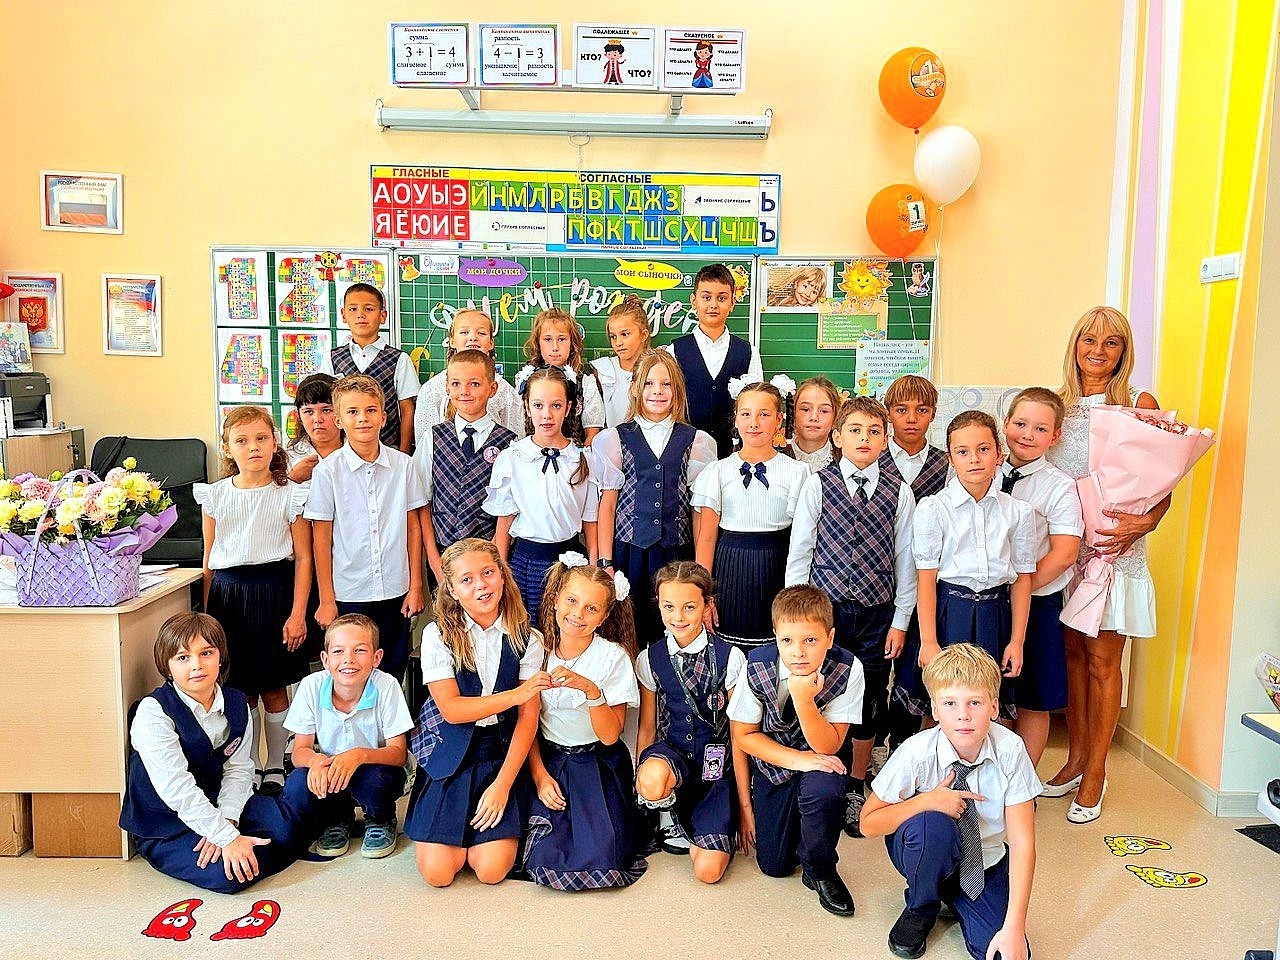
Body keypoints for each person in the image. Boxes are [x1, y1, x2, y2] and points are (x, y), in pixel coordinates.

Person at [1043, 306, 1168, 823]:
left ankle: (1096, 772)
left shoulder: (1139, 404)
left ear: (1124, 352)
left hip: (1114, 551)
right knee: (1071, 656)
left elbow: (1163, 479)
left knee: (1102, 661)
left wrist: (1146, 524)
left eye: (1111, 342)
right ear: (1075, 345)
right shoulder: (1058, 404)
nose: (1098, 350)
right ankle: (1075, 759)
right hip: (1065, 552)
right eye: (1089, 340)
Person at [786, 396, 917, 838]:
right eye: (855, 430)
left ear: (886, 439)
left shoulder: (899, 492)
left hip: (878, 613)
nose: (865, 438)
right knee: (824, 690)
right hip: (827, 613)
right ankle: (826, 775)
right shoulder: (817, 485)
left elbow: (905, 559)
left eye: (874, 431)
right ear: (837, 437)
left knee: (870, 696)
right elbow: (801, 550)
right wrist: (797, 614)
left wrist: (900, 620)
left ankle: (857, 781)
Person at [861, 644, 1039, 960]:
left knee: (1000, 953)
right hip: (926, 848)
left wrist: (1014, 926)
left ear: (994, 707)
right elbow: (868, 823)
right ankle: (921, 905)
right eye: (950, 703)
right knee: (933, 825)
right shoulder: (916, 752)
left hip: (984, 862)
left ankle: (958, 898)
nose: (963, 715)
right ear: (934, 708)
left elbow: (1023, 843)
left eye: (975, 702)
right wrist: (926, 801)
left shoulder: (1011, 751)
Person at [120, 613, 303, 893]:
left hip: (216, 805)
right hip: (165, 825)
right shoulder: (153, 712)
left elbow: (239, 769)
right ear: (167, 666)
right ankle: (250, 850)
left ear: (220, 657)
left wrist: (227, 820)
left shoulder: (237, 702)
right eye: (183, 657)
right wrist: (225, 837)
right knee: (229, 875)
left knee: (286, 830)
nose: (197, 665)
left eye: (206, 653)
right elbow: (177, 789)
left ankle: (251, 847)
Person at [406, 539, 552, 886]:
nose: (481, 585)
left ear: (502, 576)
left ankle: (487, 830)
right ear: (452, 590)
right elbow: (453, 711)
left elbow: (527, 720)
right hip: (451, 752)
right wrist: (515, 695)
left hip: (499, 753)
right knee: (439, 873)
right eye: (467, 579)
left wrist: (503, 785)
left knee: (490, 870)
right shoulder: (438, 635)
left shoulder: (528, 638)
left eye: (488, 573)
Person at [195, 406, 310, 794]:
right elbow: (209, 560)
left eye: (262, 438)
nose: (253, 447)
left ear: (275, 442)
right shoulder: (214, 495)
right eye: (242, 441)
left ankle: (275, 763)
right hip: (229, 598)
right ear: (228, 448)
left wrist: (298, 613)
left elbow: (304, 558)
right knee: (241, 689)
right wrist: (207, 618)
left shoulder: (290, 494)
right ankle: (249, 765)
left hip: (275, 592)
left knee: (274, 686)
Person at [728, 586, 864, 917]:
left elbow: (828, 745)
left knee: (824, 790)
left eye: (811, 640)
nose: (798, 652)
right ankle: (798, 834)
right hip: (775, 761)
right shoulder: (756, 665)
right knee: (774, 866)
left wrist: (804, 700)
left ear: (829, 638)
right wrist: (798, 761)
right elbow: (744, 736)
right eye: (787, 641)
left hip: (823, 759)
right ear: (775, 636)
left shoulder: (849, 668)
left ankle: (820, 867)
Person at [895, 411, 1036, 726]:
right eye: (963, 451)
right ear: (950, 459)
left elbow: (1022, 580)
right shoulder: (934, 508)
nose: (974, 459)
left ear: (999, 454)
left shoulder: (1018, 512)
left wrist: (1016, 642)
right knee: (943, 701)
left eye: (983, 449)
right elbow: (926, 579)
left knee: (989, 705)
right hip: (948, 614)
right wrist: (929, 641)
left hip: (995, 616)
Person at [521, 558, 647, 890]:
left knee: (603, 858)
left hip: (596, 763)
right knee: (541, 852)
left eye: (591, 608)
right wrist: (540, 775)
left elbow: (610, 736)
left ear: (604, 617)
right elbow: (527, 724)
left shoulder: (613, 657)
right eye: (572, 601)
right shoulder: (537, 650)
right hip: (548, 760)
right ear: (555, 600)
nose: (578, 614)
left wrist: (591, 691)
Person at [305, 374, 427, 683]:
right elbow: (321, 539)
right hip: (348, 592)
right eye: (353, 412)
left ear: (384, 417)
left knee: (391, 671)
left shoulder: (404, 466)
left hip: (395, 590)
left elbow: (413, 528)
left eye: (371, 410)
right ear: (339, 420)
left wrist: (415, 586)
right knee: (350, 673)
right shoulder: (327, 472)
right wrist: (327, 599)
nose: (363, 419)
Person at [592, 349, 717, 642]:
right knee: (628, 630)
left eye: (666, 384)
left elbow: (698, 511)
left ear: (677, 390)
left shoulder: (696, 441)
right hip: (629, 552)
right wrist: (605, 562)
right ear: (635, 388)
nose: (657, 391)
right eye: (649, 383)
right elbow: (607, 506)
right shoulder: (615, 439)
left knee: (673, 629)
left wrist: (700, 570)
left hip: (676, 554)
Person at [634, 562, 747, 879]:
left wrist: (745, 806)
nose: (678, 617)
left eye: (689, 607)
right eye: (668, 607)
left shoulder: (730, 657)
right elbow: (647, 727)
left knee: (708, 873)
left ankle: (704, 826)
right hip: (671, 757)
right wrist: (640, 782)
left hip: (715, 769)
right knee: (652, 780)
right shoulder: (650, 657)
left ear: (707, 605)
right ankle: (667, 812)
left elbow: (739, 735)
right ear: (658, 605)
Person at [484, 366, 621, 624]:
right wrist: (499, 576)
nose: (546, 414)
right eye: (538, 405)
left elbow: (590, 525)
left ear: (569, 408)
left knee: (567, 630)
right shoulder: (512, 459)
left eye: (556, 406)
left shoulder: (583, 459)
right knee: (528, 632)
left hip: (572, 564)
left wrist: (594, 573)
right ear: (527, 407)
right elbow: (503, 529)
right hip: (525, 564)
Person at [283, 614, 413, 860]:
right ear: (325, 659)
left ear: (376, 658)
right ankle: (336, 818)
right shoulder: (311, 686)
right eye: (338, 651)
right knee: (297, 784)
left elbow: (398, 754)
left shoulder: (387, 686)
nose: (348, 659)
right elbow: (300, 751)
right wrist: (316, 761)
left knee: (376, 780)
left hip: (374, 769)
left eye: (360, 650)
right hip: (331, 771)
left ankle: (380, 818)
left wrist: (359, 755)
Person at [1000, 388, 1083, 766]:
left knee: (1033, 697)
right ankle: (988, 778)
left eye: (1040, 428)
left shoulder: (1059, 486)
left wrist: (1019, 591)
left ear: (1056, 436)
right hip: (985, 599)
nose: (1028, 435)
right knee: (992, 692)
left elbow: (1064, 553)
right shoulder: (982, 469)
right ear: (1005, 424)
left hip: (1037, 602)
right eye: (1020, 424)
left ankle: (1023, 784)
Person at [693, 381, 808, 650]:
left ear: (779, 420)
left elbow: (803, 541)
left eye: (764, 414)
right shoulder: (717, 472)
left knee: (775, 647)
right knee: (729, 648)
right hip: (729, 568)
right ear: (736, 419)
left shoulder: (796, 472)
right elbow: (706, 539)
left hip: (777, 568)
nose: (754, 423)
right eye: (746, 414)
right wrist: (704, 595)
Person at [879, 374, 951, 760]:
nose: (911, 418)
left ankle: (904, 748)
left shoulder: (946, 463)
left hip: (927, 583)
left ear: (933, 414)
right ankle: (872, 746)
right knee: (876, 669)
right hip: (877, 579)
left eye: (921, 410)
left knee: (913, 669)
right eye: (901, 409)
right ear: (888, 413)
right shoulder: (871, 456)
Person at [414, 349, 518, 582]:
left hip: (489, 560)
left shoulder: (509, 443)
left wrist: (496, 563)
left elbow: (509, 510)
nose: (464, 392)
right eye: (456, 384)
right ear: (447, 388)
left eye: (474, 384)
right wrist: (434, 563)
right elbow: (421, 501)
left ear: (492, 389)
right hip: (442, 557)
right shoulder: (433, 438)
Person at [666, 264, 763, 457]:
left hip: (735, 453)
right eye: (706, 297)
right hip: (685, 452)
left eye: (722, 298)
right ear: (694, 301)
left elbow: (758, 403)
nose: (713, 305)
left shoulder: (748, 352)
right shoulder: (674, 351)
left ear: (732, 302)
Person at [321, 283, 416, 453]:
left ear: (382, 316)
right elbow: (327, 406)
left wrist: (403, 454)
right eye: (353, 309)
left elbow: (407, 410)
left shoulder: (399, 359)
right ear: (343, 315)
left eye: (369, 309)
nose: (360, 315)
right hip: (345, 452)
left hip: (388, 450)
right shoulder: (332, 358)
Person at [413, 308, 525, 443]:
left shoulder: (505, 391)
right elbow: (424, 442)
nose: (473, 337)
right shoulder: (432, 390)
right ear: (452, 341)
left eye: (481, 333)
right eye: (464, 332)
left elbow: (516, 441)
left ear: (491, 343)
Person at [521, 307, 606, 444]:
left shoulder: (585, 384)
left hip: (574, 454)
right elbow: (519, 428)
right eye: (548, 339)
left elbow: (592, 433)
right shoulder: (526, 380)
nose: (555, 347)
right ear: (538, 342)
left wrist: (581, 456)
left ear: (572, 343)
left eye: (561, 339)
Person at [591, 294, 652, 428]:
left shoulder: (657, 369)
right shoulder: (604, 370)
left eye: (625, 334)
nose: (618, 342)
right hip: (614, 439)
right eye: (613, 336)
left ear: (643, 335)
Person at [285, 373, 342, 487]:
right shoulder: (287, 458)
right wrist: (293, 479)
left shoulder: (359, 452)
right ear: (299, 415)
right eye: (308, 411)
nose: (317, 419)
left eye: (326, 410)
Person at [779, 375, 840, 473]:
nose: (814, 417)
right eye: (805, 409)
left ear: (835, 417)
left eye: (824, 411)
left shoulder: (845, 460)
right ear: (793, 414)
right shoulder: (775, 456)